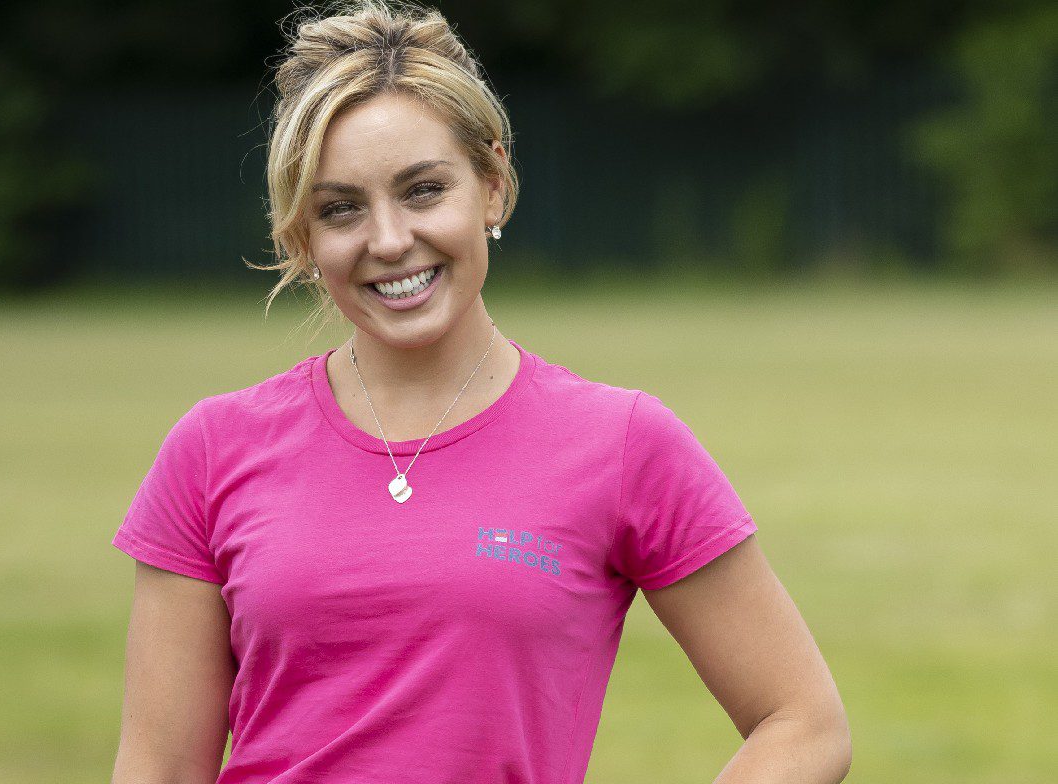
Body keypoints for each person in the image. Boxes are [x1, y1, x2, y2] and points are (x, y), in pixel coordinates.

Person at [110, 2, 851, 782]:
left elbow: (802, 723)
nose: (390, 240)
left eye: (424, 190)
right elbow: (158, 766)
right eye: (341, 209)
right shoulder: (212, 448)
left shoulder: (623, 441)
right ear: (303, 234)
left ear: (492, 186)